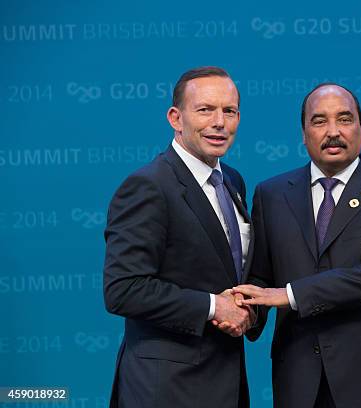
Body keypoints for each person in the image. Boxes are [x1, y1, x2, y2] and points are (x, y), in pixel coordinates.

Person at [232, 83, 361, 407]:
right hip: (299, 380)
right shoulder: (271, 195)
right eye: (319, 121)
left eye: (345, 119)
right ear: (304, 131)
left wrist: (291, 294)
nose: (333, 131)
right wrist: (242, 311)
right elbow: (261, 277)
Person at [103, 66, 259, 408]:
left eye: (229, 111)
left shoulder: (233, 181)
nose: (219, 122)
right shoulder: (149, 186)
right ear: (176, 118)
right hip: (166, 389)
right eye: (205, 109)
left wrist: (247, 310)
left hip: (226, 382)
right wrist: (214, 306)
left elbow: (231, 273)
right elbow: (123, 289)